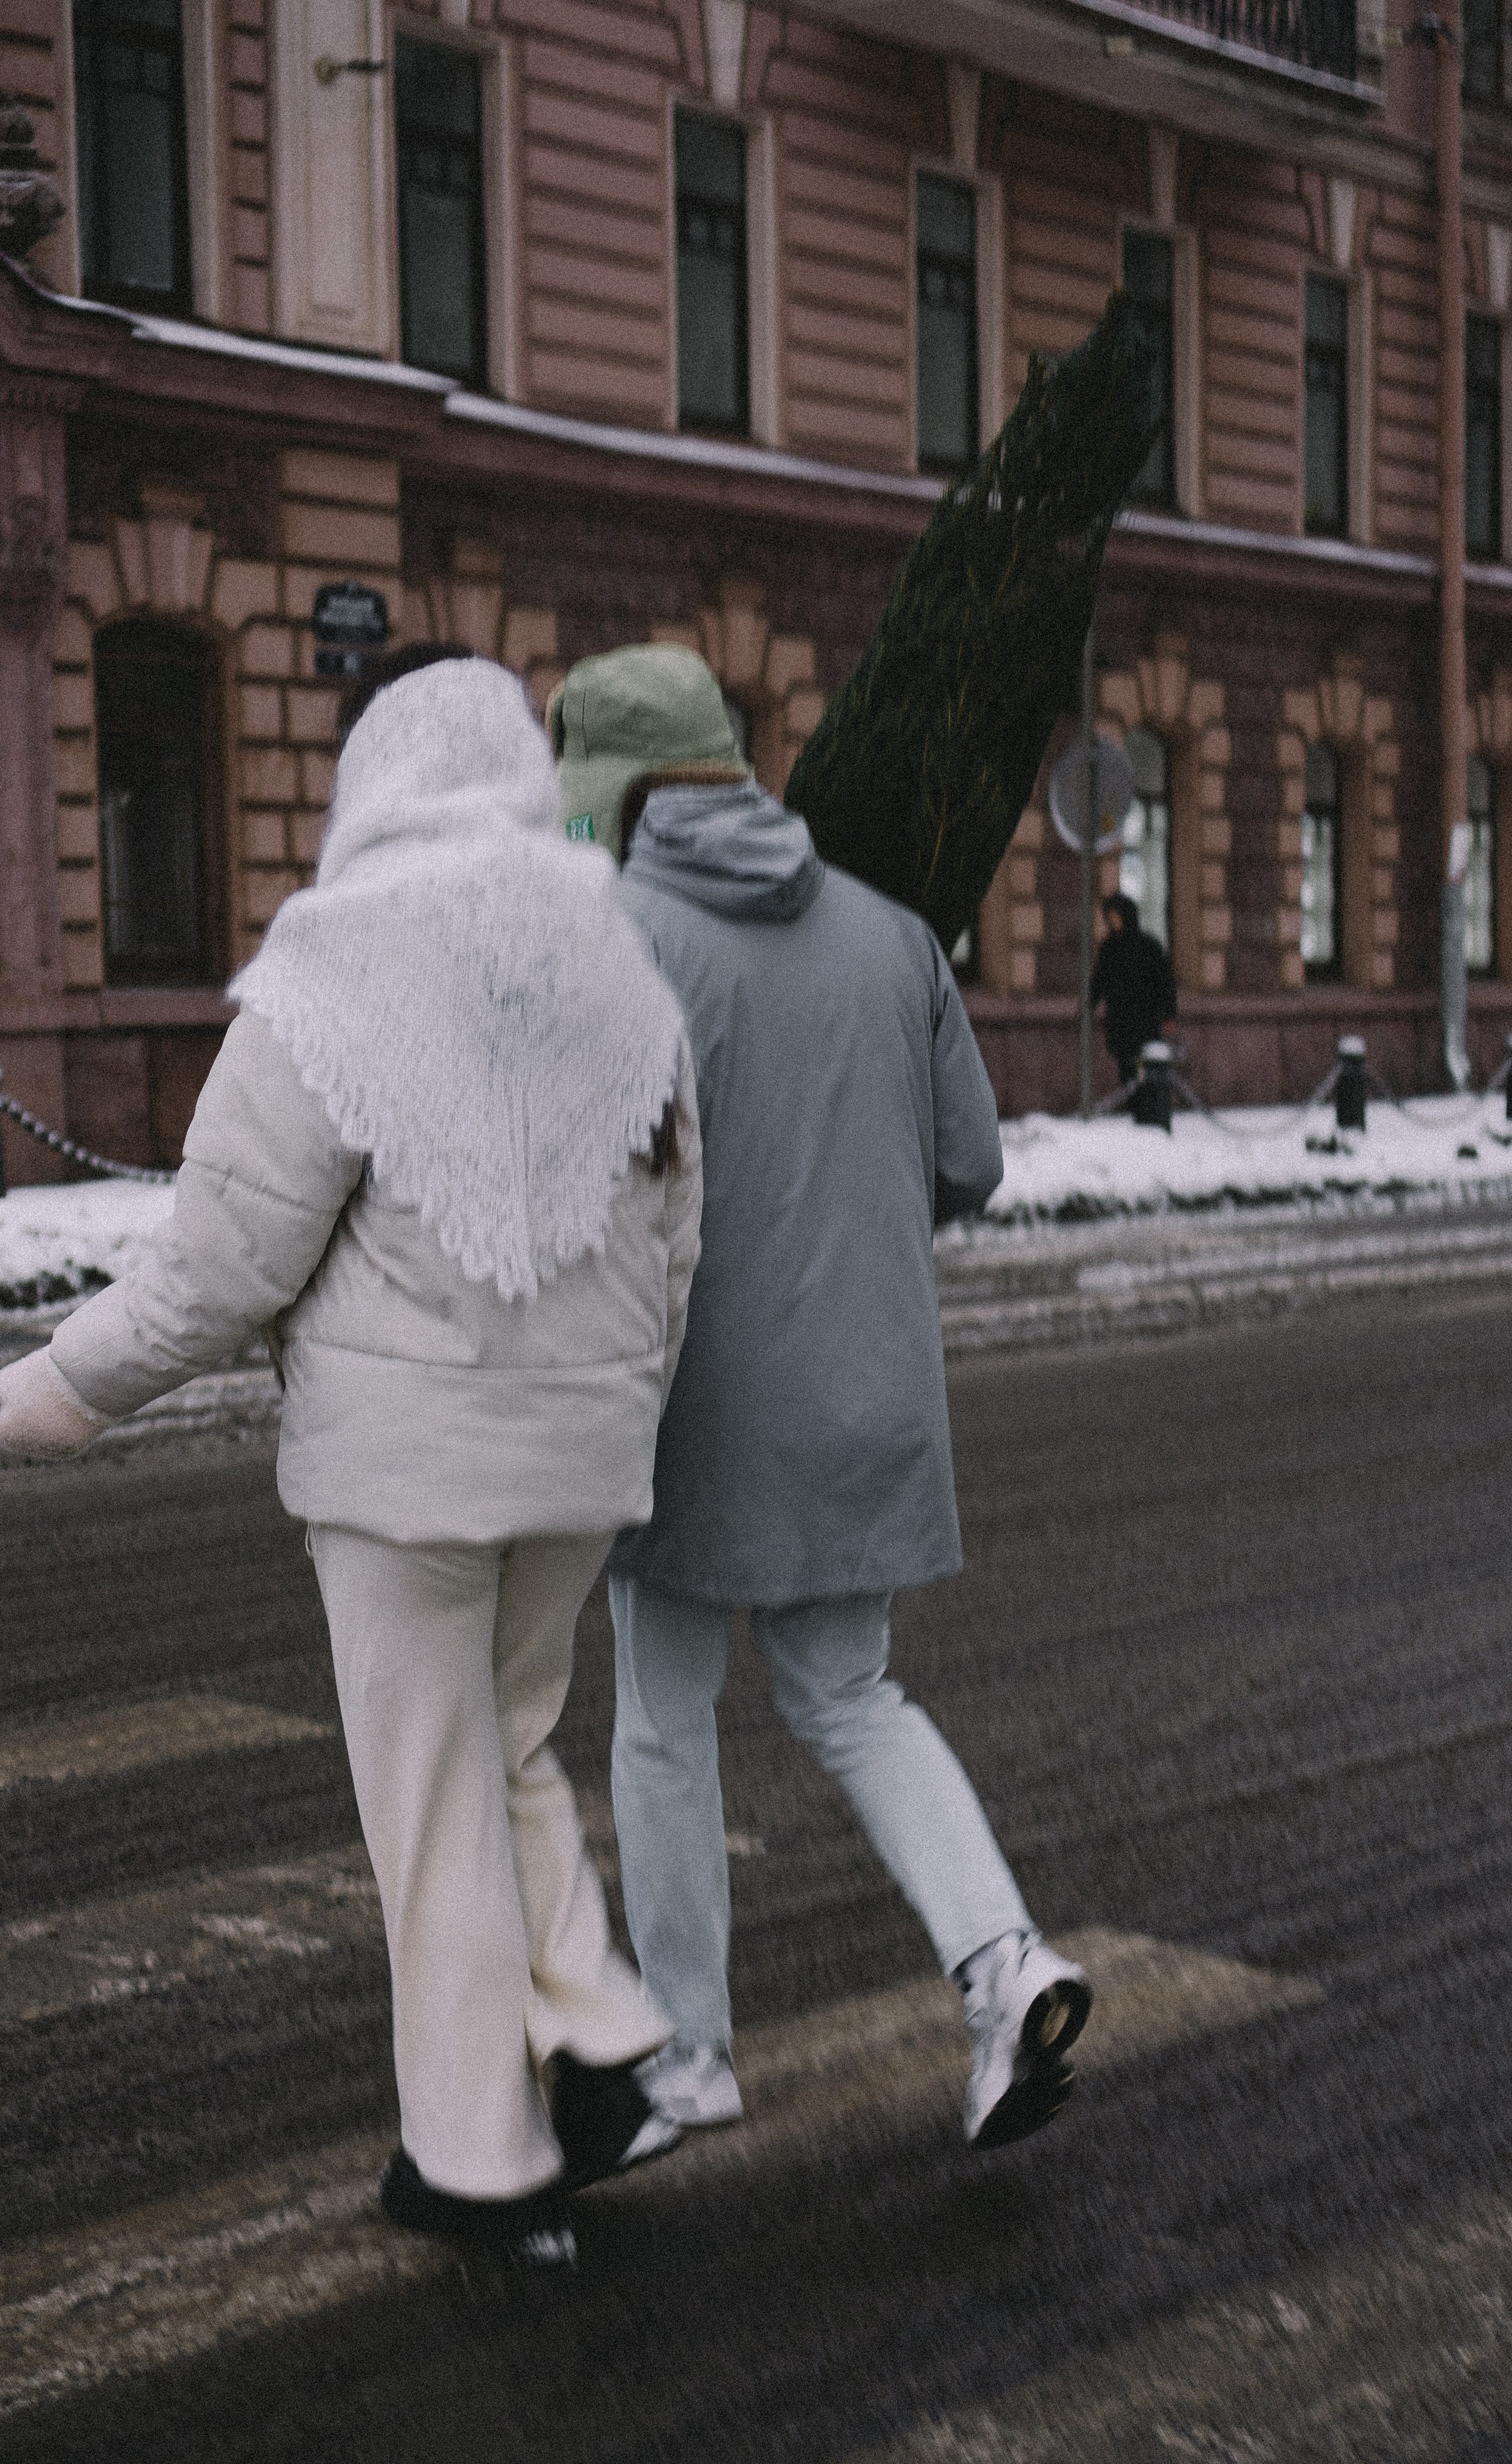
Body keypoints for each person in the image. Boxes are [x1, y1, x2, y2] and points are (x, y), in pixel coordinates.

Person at [0, 654, 703, 2272]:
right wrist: (622, 1405)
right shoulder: (617, 954)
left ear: (373, 777)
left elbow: (218, 1267)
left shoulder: (334, 969)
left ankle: (482, 2163)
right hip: (585, 1452)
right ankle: (596, 2032)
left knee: (432, 1798)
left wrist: (52, 1392)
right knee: (506, 1744)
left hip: (404, 1476)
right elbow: (677, 1237)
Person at [546, 642, 1092, 2152]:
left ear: (620, 790)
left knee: (664, 1720)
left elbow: (585, 1185)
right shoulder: (890, 931)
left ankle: (689, 2053)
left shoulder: (619, 937)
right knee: (852, 1699)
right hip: (868, 1390)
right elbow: (969, 1160)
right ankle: (1002, 1962)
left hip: (693, 1407)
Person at [1088, 892, 1177, 1091]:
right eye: (1110, 917)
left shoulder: (1149, 946)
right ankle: (1133, 1098)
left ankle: (1143, 1100)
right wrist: (1089, 1005)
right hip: (1120, 1020)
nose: (1113, 921)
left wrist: (1170, 1014)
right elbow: (1099, 980)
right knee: (1127, 1066)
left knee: (1145, 1066)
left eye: (1116, 916)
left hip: (1146, 1019)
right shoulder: (1109, 948)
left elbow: (1165, 983)